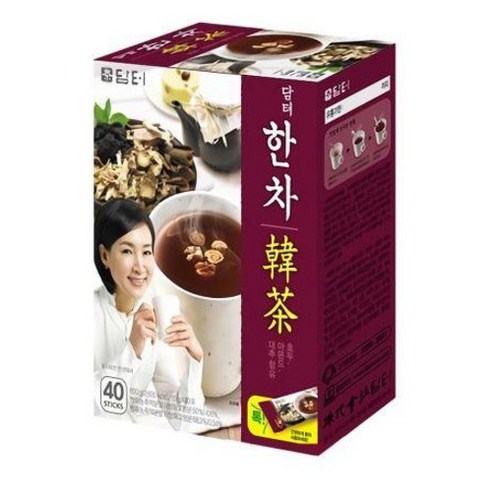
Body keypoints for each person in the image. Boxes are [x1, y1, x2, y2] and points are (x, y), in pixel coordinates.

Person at [93, 199, 204, 428]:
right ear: (104, 255)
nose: (140, 267)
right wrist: (132, 349)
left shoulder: (149, 314)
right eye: (127, 251)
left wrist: (195, 359)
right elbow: (95, 407)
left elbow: (180, 420)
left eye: (146, 252)